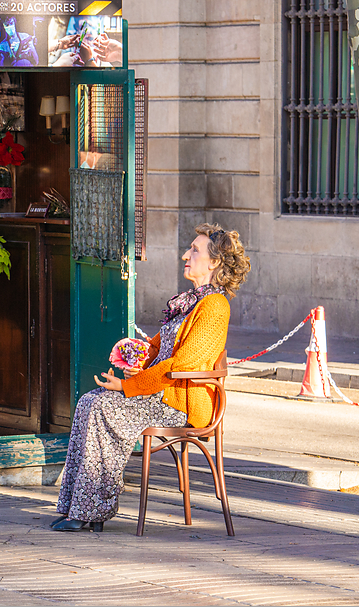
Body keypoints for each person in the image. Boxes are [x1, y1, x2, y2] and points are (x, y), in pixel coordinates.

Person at [51, 223, 251, 532]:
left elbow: (182, 363)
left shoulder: (215, 306)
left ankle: (92, 511)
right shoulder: (189, 303)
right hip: (161, 394)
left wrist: (129, 386)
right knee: (89, 401)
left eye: (194, 250)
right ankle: (75, 505)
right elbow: (156, 350)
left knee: (105, 408)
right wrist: (136, 363)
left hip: (180, 403)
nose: (186, 254)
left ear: (215, 262)